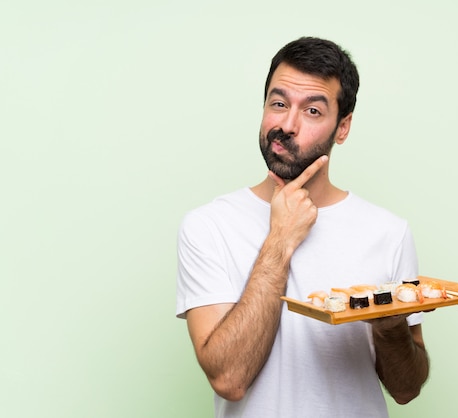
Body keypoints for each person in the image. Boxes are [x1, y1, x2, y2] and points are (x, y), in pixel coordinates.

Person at [176, 36, 430, 418]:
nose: (287, 125)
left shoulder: (388, 232)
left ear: (342, 128)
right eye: (278, 104)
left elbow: (407, 389)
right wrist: (280, 238)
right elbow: (229, 378)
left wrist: (390, 328)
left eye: (312, 111)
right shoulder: (208, 226)